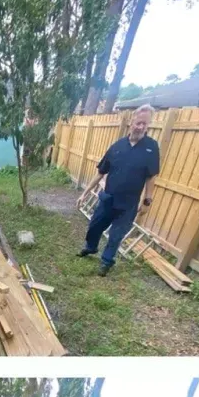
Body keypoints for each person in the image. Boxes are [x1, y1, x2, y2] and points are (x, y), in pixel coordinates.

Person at [76, 105, 160, 276]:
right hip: (108, 198)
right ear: (131, 122)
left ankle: (106, 261)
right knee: (94, 226)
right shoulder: (117, 146)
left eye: (145, 124)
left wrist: (147, 201)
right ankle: (90, 247)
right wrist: (84, 193)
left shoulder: (151, 148)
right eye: (138, 123)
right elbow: (100, 172)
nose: (141, 127)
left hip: (128, 204)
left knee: (116, 235)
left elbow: (151, 177)